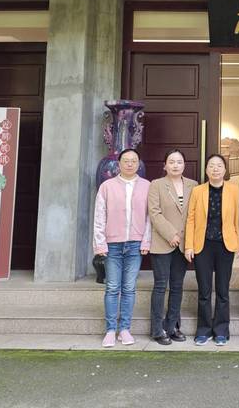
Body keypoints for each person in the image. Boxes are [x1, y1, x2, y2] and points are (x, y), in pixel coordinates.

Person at [93, 149, 151, 348]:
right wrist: (100, 243)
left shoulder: (147, 186)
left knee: (129, 288)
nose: (130, 164)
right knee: (112, 287)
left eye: (134, 161)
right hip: (112, 245)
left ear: (138, 163)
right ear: (119, 164)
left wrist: (146, 241)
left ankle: (124, 329)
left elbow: (149, 217)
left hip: (135, 244)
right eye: (126, 161)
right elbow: (99, 216)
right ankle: (110, 330)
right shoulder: (107, 186)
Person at [184, 154, 239, 346]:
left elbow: (238, 218)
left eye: (219, 166)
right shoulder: (198, 191)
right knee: (204, 290)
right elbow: (191, 219)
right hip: (203, 245)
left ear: (225, 170)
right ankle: (203, 330)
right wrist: (189, 245)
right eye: (211, 166)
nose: (215, 169)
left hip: (225, 245)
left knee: (223, 290)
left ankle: (221, 330)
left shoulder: (234, 190)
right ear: (206, 170)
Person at [147, 149, 197, 345]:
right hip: (163, 243)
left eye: (179, 162)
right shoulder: (157, 185)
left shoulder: (193, 185)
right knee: (161, 286)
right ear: (165, 165)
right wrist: (171, 234)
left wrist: (187, 240)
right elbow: (154, 213)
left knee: (177, 286)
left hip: (184, 245)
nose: (176, 165)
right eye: (172, 162)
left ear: (184, 165)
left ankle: (172, 326)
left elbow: (194, 214)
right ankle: (157, 329)